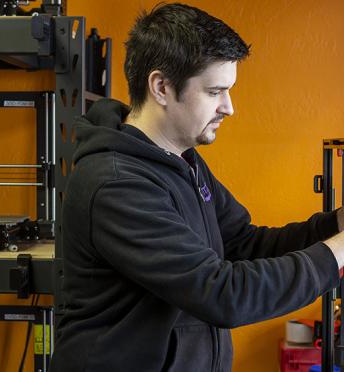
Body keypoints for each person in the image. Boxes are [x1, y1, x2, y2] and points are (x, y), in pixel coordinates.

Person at [50, 3, 344, 371]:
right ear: (161, 87)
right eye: (215, 91)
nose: (229, 107)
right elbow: (222, 294)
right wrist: (338, 251)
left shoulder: (184, 160)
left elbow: (243, 245)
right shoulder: (115, 183)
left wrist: (335, 225)